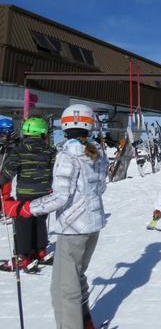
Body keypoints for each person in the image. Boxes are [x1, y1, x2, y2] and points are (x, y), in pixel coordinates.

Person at [3, 104, 109, 329]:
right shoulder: (97, 152)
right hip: (92, 226)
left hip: (73, 229)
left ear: (65, 124)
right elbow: (100, 189)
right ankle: (85, 320)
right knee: (76, 276)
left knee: (63, 288)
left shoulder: (68, 154)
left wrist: (24, 208)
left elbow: (61, 197)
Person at [0, 117, 56, 273]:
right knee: (39, 221)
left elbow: (8, 172)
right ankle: (41, 251)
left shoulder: (19, 150)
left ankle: (23, 257)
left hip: (26, 194)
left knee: (23, 223)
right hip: (45, 194)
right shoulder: (50, 151)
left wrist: (1, 180)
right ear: (43, 133)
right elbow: (55, 169)